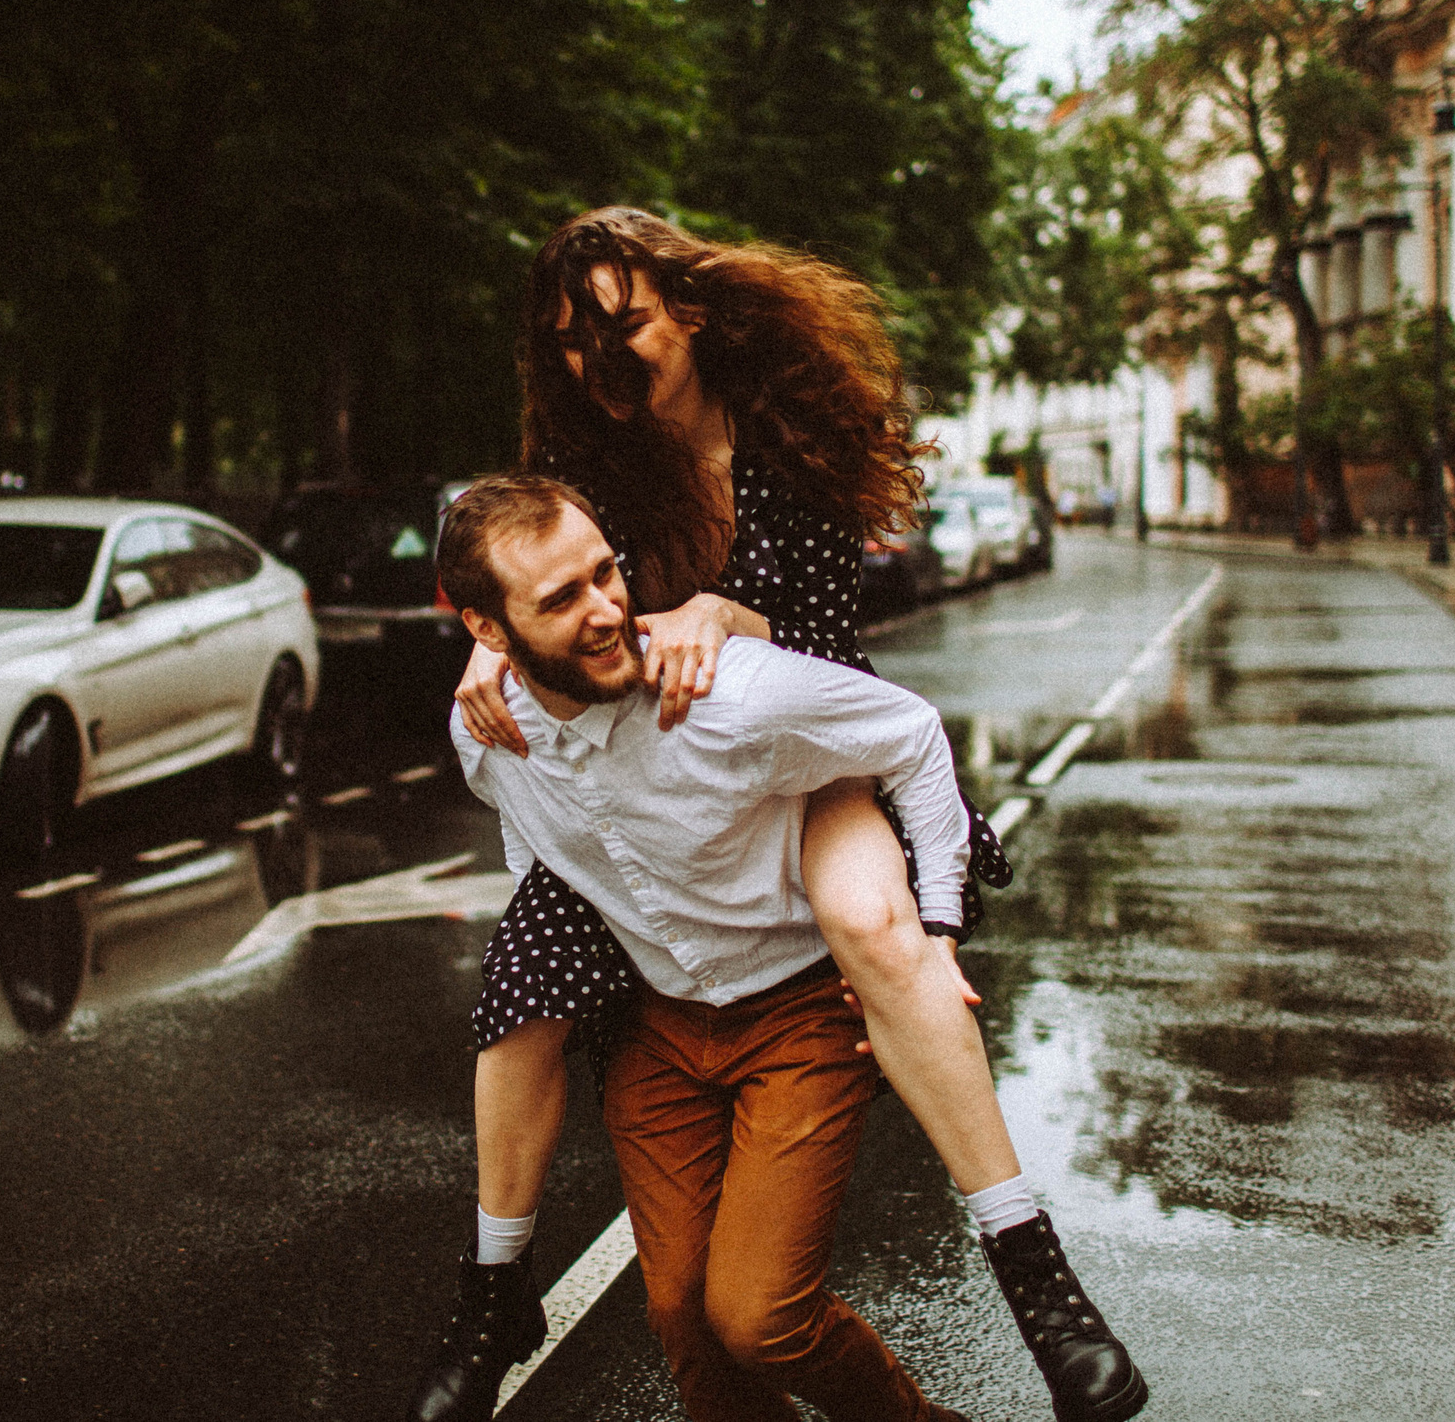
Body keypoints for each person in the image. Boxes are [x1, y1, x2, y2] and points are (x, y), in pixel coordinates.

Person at [403, 207, 1141, 1422]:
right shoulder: (592, 463)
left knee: (868, 918)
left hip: (806, 738)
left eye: (622, 321)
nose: (601, 356)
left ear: (688, 309)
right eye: (571, 340)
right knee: (524, 975)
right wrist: (488, 660)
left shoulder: (793, 431)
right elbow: (536, 584)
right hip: (675, 760)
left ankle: (1037, 1284)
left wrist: (730, 619)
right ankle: (495, 1287)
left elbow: (827, 667)